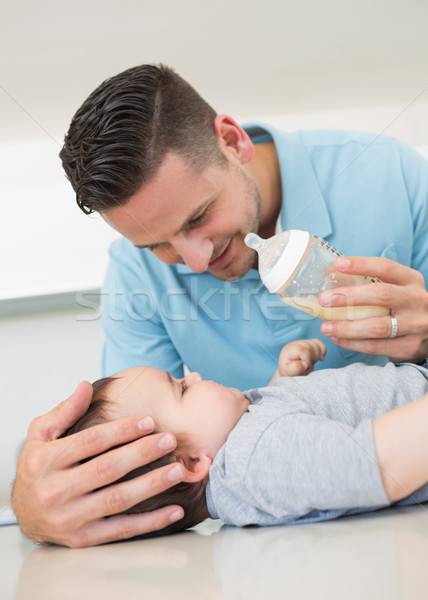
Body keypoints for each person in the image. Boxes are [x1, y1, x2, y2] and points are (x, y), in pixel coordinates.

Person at [12, 64, 428, 546]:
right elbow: (133, 461)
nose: (193, 261)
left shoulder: (390, 177)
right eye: (157, 246)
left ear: (232, 141)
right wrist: (30, 503)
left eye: (199, 217)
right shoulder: (135, 278)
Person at [60, 339, 428, 543]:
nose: (197, 376)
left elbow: (287, 439)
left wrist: (283, 383)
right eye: (183, 388)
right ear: (190, 464)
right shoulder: (257, 457)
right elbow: (380, 461)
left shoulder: (245, 450)